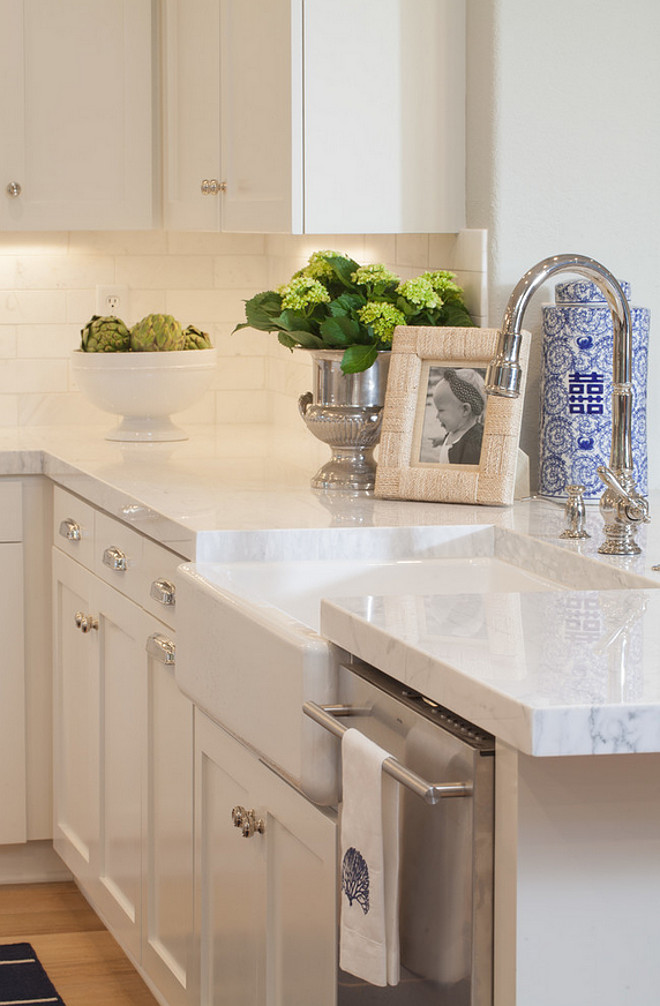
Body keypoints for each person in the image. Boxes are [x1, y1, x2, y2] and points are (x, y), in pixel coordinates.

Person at [431, 368, 486, 464]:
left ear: (465, 409)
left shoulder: (473, 448)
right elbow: (453, 438)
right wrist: (442, 440)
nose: (437, 416)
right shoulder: (456, 428)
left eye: (441, 410)